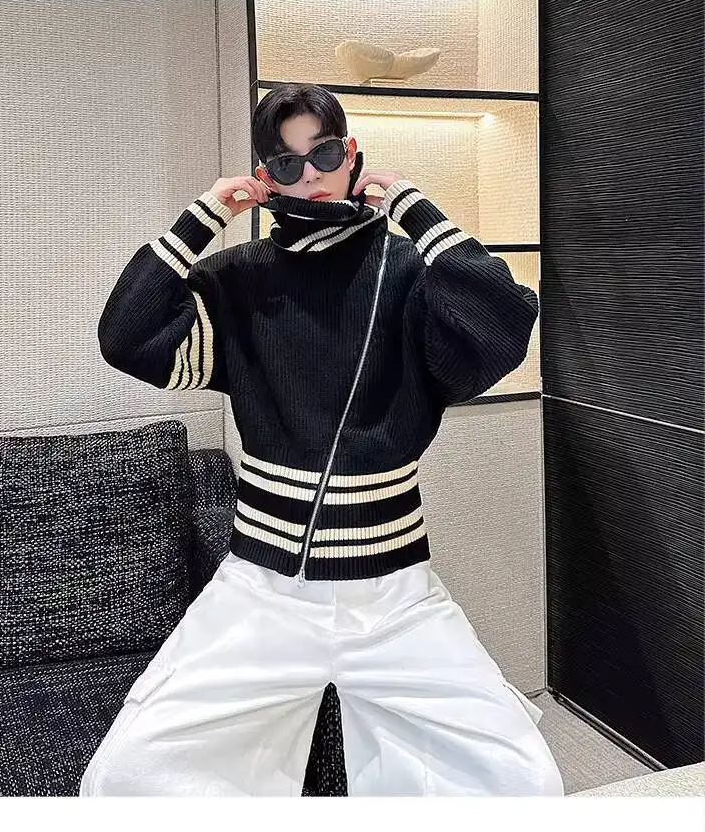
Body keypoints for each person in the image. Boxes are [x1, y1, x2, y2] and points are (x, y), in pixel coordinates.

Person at [79, 83, 565, 797]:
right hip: (263, 589)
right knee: (132, 774)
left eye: (326, 154)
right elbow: (126, 336)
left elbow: (503, 322)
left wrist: (411, 204)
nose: (310, 175)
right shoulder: (239, 281)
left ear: (351, 154)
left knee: (520, 781)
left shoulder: (408, 273)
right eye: (286, 164)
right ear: (265, 176)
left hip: (394, 594)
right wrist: (207, 214)